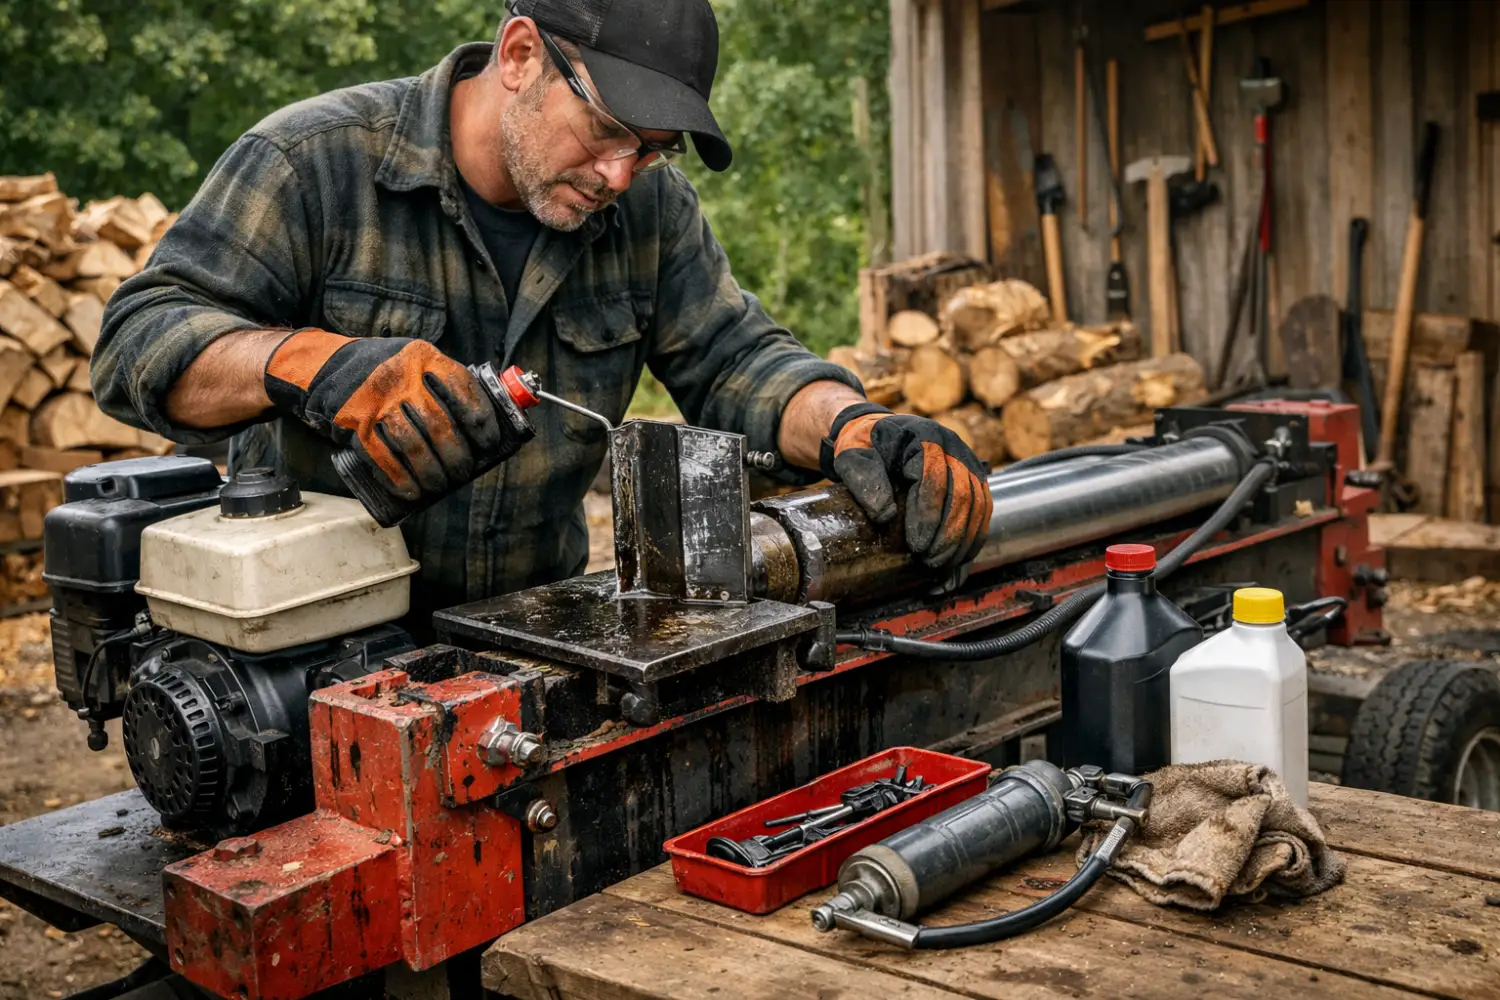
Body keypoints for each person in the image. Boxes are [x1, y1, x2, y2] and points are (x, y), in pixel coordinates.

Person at [93, 0, 993, 636]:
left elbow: (732, 359)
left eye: (651, 151)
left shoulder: (647, 211)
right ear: (520, 54)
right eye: (607, 131)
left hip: (531, 646)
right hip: (310, 650)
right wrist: (311, 364)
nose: (619, 175)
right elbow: (139, 339)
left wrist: (850, 423)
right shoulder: (314, 164)